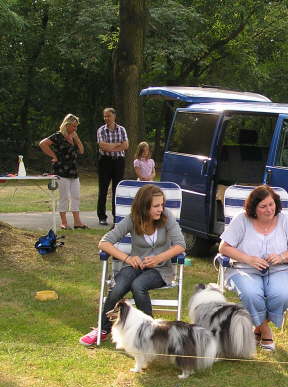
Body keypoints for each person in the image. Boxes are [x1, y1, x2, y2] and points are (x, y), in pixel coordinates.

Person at [79, 184, 186, 346]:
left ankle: (150, 333)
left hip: (160, 269)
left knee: (138, 285)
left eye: (162, 205)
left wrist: (159, 258)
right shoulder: (132, 219)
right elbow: (104, 243)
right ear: (144, 207)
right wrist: (128, 259)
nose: (160, 209)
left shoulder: (167, 217)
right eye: (156, 206)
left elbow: (180, 245)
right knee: (118, 287)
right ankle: (102, 329)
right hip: (134, 266)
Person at [218, 185, 288, 352]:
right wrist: (249, 259)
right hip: (244, 269)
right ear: (253, 208)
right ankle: (266, 332)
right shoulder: (242, 219)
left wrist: (282, 257)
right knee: (251, 293)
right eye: (263, 206)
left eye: (271, 204)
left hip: (279, 269)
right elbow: (224, 247)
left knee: (282, 294)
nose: (269, 209)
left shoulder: (285, 219)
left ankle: (257, 328)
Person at [39, 114, 87, 230]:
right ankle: (64, 222)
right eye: (74, 126)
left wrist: (76, 138)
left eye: (76, 127)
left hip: (73, 171)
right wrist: (53, 155)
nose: (75, 129)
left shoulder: (73, 136)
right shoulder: (58, 136)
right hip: (61, 171)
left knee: (76, 196)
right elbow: (42, 144)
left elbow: (81, 151)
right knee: (64, 197)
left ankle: (77, 222)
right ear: (67, 125)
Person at [97, 107, 128, 226]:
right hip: (105, 161)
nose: (106, 118)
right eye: (104, 116)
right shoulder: (101, 130)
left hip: (119, 161)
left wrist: (112, 146)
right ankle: (102, 216)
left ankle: (117, 216)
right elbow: (103, 146)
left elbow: (125, 145)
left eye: (108, 116)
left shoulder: (122, 130)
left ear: (114, 116)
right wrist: (117, 145)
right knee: (103, 189)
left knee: (117, 189)